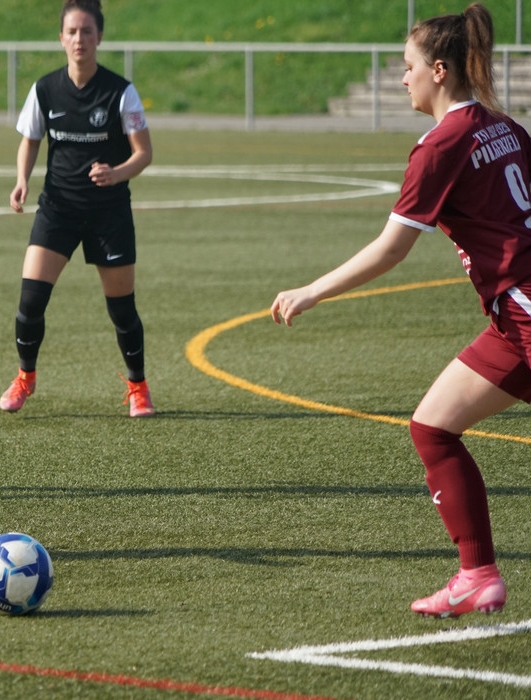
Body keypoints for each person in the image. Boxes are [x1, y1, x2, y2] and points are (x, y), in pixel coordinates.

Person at [270, 3, 517, 618]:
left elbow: (390, 249)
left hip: (525, 307)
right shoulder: (503, 126)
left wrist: (311, 291)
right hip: (512, 319)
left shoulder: (441, 145)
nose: (402, 77)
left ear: (439, 71)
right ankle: (476, 575)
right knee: (432, 426)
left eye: (408, 66)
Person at [0, 0, 155, 417]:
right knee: (30, 302)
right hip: (58, 210)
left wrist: (116, 173)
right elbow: (30, 140)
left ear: (99, 37)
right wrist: (21, 181)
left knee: (122, 309)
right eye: (72, 31)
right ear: (61, 38)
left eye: (87, 31)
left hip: (109, 214)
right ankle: (25, 377)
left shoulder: (121, 92)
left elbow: (144, 153)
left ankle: (138, 387)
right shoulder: (45, 89)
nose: (79, 39)